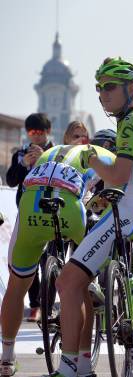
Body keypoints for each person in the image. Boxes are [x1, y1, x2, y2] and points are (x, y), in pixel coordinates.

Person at [25, 57, 133, 377]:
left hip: (128, 214)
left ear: (130, 88)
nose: (102, 94)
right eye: (98, 88)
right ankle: (96, 353)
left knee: (67, 281)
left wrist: (89, 154)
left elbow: (119, 175)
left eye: (109, 87)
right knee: (84, 279)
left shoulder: (132, 123)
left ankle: (71, 369)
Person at [0, 143, 115, 377]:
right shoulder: (103, 155)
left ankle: (6, 359)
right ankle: (83, 367)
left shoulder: (48, 153)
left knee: (16, 286)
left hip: (30, 207)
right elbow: (114, 194)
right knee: (79, 285)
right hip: (70, 211)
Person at [5, 113, 55, 324]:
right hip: (26, 213)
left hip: (52, 212)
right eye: (32, 132)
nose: (36, 136)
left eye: (40, 132)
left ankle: (48, 307)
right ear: (27, 133)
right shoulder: (20, 154)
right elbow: (10, 181)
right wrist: (24, 163)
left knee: (50, 262)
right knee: (29, 261)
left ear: (48, 132)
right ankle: (35, 305)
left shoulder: (55, 152)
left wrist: (44, 159)